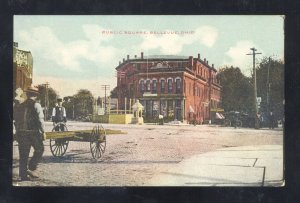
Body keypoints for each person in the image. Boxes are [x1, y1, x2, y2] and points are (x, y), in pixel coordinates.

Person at [14, 86, 46, 181]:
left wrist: (17, 132)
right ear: (36, 96)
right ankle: (31, 167)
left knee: (23, 155)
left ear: (27, 95)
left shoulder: (20, 105)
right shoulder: (37, 105)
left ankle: (23, 176)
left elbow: (16, 120)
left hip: (21, 133)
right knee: (40, 149)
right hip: (33, 133)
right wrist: (43, 132)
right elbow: (40, 120)